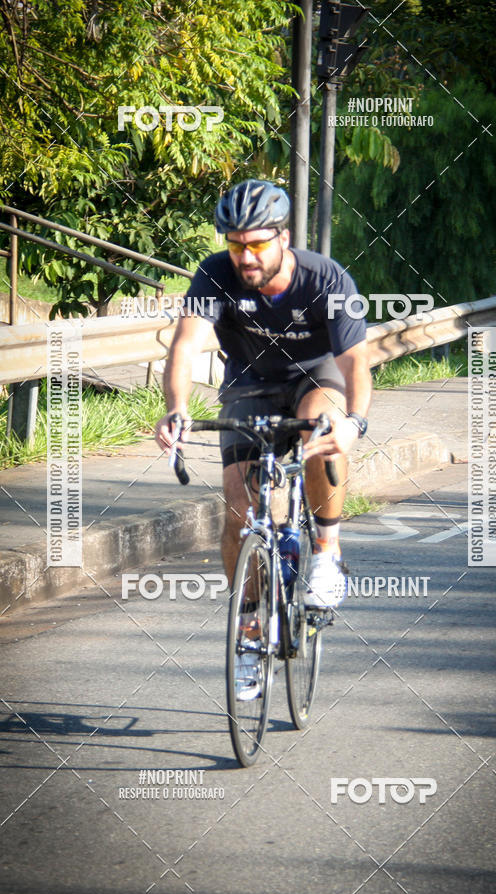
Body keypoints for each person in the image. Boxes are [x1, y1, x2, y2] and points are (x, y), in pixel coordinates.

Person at [155, 179, 372, 697]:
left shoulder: (325, 277)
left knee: (322, 426)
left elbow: (356, 361)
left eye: (256, 244)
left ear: (283, 237)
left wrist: (354, 423)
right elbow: (185, 348)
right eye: (235, 244)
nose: (245, 256)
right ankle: (250, 628)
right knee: (238, 509)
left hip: (315, 378)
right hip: (249, 384)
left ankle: (325, 549)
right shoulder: (215, 274)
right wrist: (176, 411)